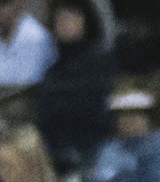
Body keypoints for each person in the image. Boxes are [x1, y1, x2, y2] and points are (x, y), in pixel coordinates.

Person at [35, 0, 116, 172]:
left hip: (91, 153)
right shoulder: (52, 70)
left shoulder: (100, 63)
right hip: (52, 154)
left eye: (71, 17)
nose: (64, 23)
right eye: (60, 18)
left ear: (86, 21)